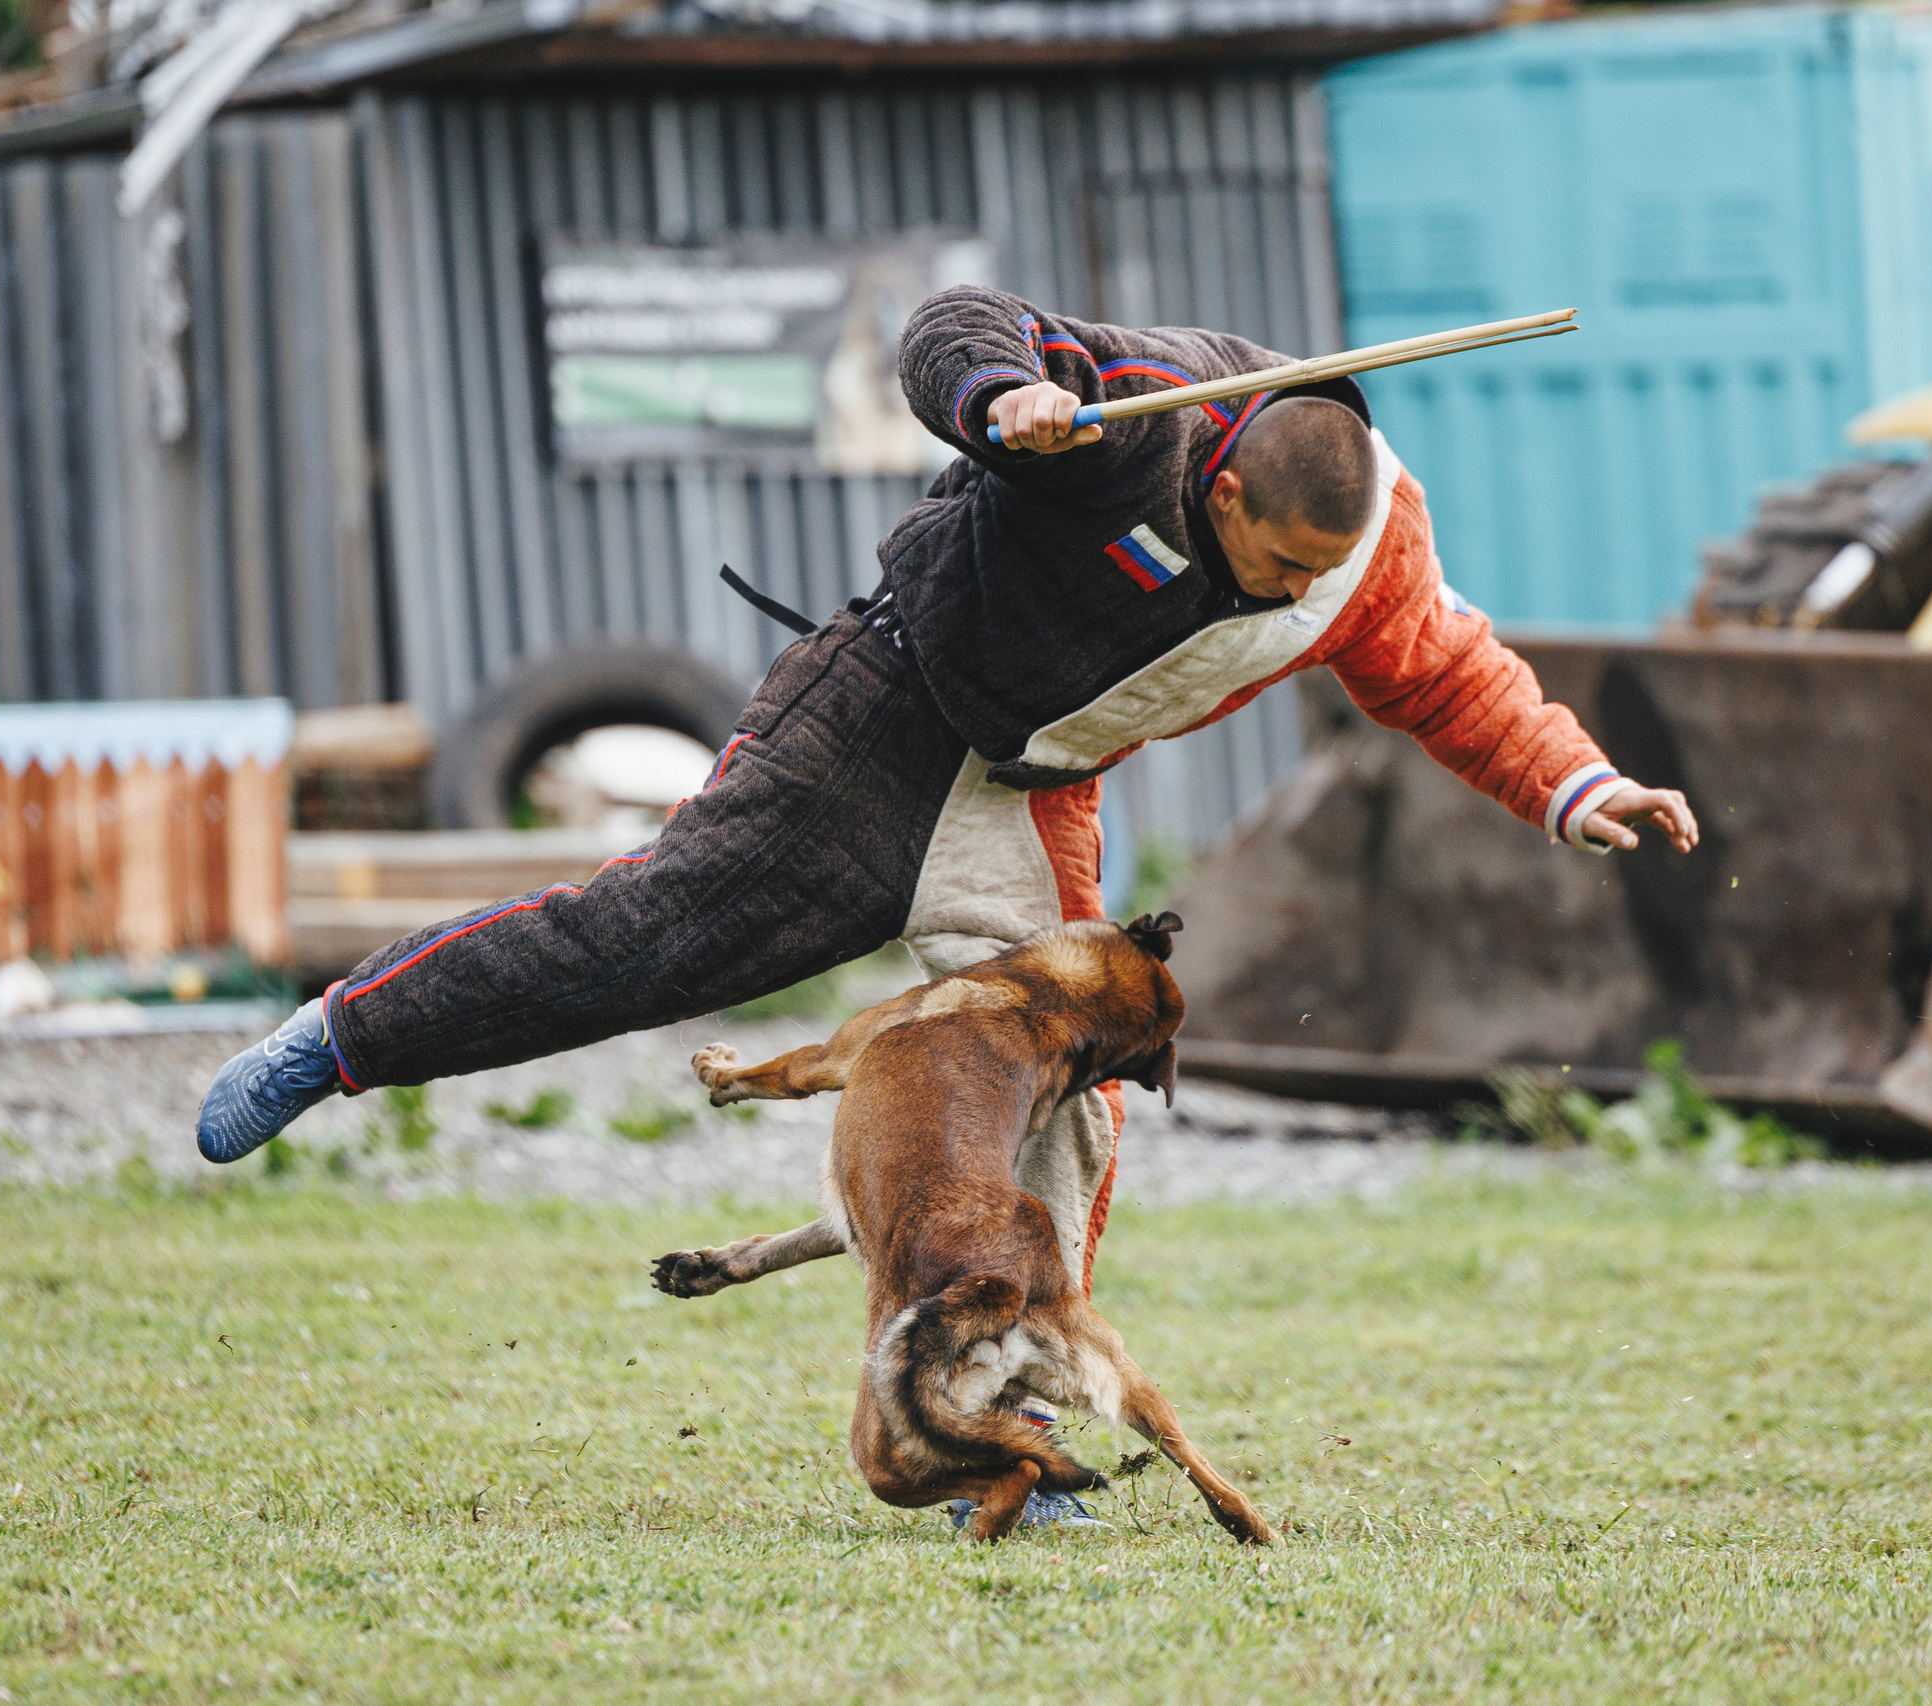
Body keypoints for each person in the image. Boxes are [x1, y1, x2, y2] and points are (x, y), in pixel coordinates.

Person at [196, 285, 1699, 1521]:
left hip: (1033, 797)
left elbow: (1449, 674)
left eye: (1311, 575)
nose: (1283, 593)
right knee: (641, 944)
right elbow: (958, 323)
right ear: (1219, 481)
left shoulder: (1367, 549)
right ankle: (337, 1040)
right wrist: (999, 401)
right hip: (886, 714)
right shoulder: (1139, 413)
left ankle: (1008, 1429)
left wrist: (1584, 784)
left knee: (1070, 1105)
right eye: (1269, 558)